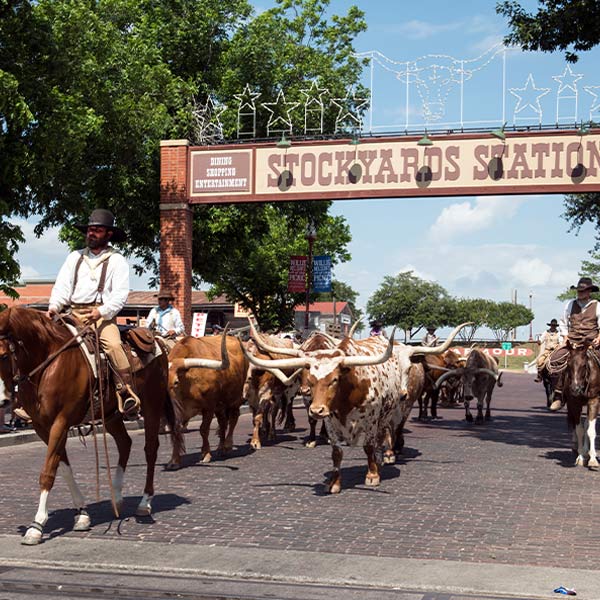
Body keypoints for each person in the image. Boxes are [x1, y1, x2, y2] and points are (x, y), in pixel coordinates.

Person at [46, 208, 141, 419]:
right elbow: (62, 287)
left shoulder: (117, 260)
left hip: (101, 316)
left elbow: (120, 295)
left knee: (114, 346)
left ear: (108, 234)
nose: (91, 234)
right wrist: (54, 306)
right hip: (71, 314)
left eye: (97, 230)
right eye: (90, 230)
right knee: (47, 343)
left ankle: (125, 391)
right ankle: (37, 395)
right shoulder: (75, 257)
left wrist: (101, 312)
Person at [548, 276, 600, 411]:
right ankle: (558, 396)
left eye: (583, 291)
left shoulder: (597, 305)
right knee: (555, 360)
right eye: (579, 291)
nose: (580, 293)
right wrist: (565, 336)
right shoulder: (570, 304)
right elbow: (564, 323)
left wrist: (599, 337)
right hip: (573, 342)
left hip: (591, 343)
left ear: (589, 292)